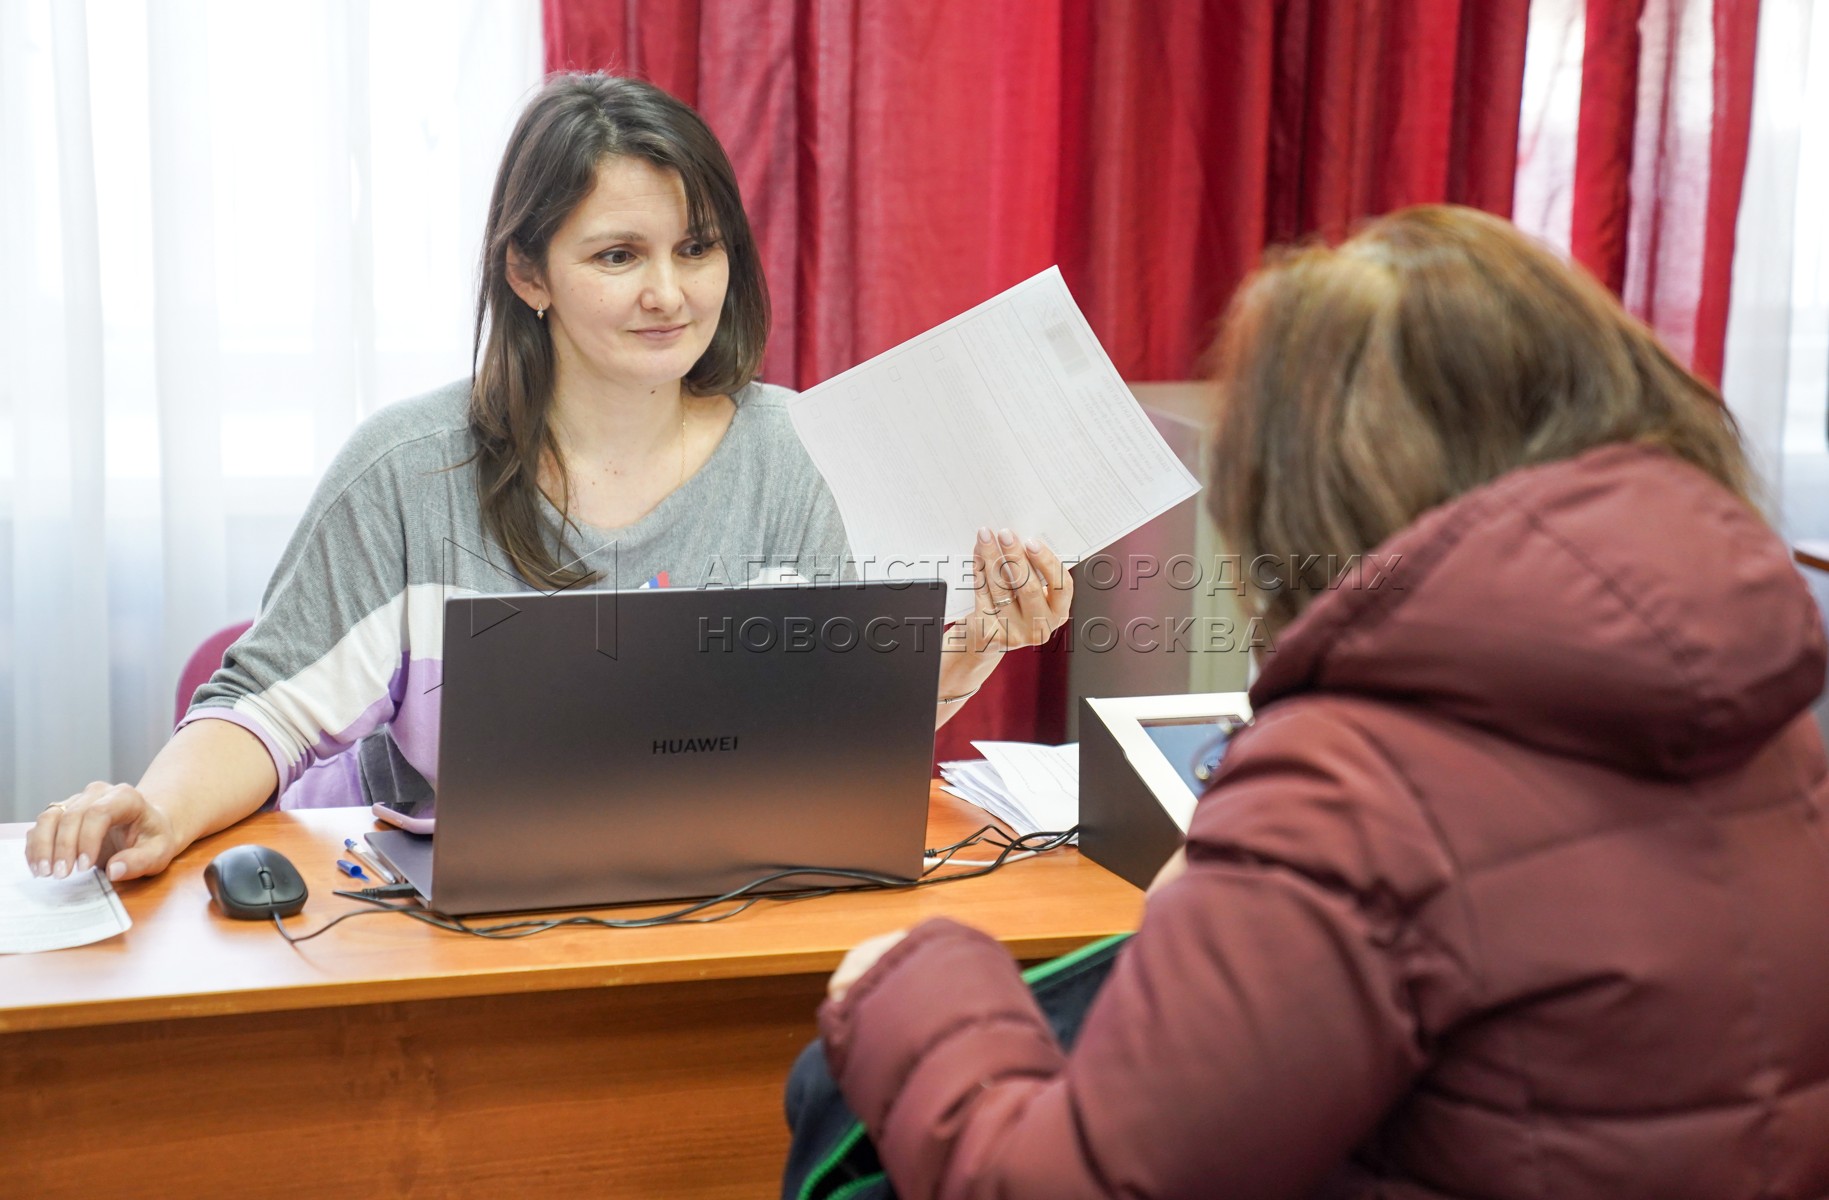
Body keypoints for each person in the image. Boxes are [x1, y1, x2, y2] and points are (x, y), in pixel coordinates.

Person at [810, 206, 1829, 1198]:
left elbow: (1066, 1180)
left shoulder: (1352, 782)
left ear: (1302, 481)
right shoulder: (1757, 707)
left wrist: (918, 983)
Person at [24, 73, 1071, 884]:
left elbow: (833, 721)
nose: (668, 292)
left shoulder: (795, 449)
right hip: (445, 928)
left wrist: (977, 640)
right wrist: (159, 809)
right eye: (618, 256)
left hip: (718, 903)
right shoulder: (408, 468)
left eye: (696, 249)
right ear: (528, 274)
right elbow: (265, 709)